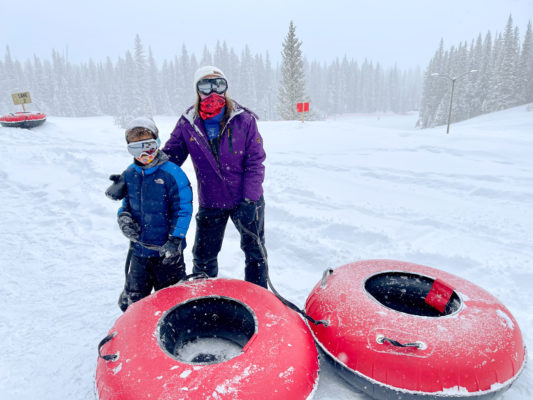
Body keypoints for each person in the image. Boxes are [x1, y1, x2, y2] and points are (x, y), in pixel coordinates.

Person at [163, 65, 268, 288]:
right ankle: (204, 302)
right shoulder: (187, 122)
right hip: (211, 200)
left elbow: (255, 161)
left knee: (255, 253)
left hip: (246, 200)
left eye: (219, 85)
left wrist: (250, 199)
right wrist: (138, 172)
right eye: (206, 85)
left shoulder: (243, 119)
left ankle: (259, 300)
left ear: (226, 88)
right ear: (197, 89)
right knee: (203, 257)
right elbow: (170, 157)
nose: (213, 92)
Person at [116, 117, 193, 311]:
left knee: (172, 301)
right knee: (135, 300)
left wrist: (175, 239)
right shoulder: (130, 174)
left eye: (149, 146)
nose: (144, 154)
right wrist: (124, 218)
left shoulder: (172, 173)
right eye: (135, 149)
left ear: (158, 143)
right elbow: (126, 204)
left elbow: (183, 208)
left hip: (168, 252)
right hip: (140, 251)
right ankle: (135, 332)